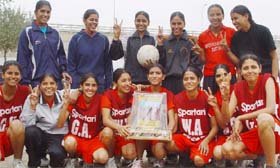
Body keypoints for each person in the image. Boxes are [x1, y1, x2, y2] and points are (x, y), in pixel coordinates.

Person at [219, 54, 280, 168]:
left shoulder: (267, 79)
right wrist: (225, 99)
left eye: (253, 67)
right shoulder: (238, 87)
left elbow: (270, 109)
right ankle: (258, 158)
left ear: (260, 68)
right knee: (226, 149)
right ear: (240, 72)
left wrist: (241, 117)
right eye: (246, 68)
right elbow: (226, 119)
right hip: (254, 132)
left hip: (273, 130)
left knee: (263, 118)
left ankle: (271, 164)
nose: (250, 71)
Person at [165, 65, 218, 167]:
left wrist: (206, 141)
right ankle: (185, 154)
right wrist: (164, 133)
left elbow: (215, 127)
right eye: (186, 79)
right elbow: (175, 125)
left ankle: (201, 157)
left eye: (192, 78)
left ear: (198, 80)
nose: (189, 81)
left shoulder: (206, 98)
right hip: (186, 138)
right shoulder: (177, 98)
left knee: (198, 161)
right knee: (168, 143)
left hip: (203, 138)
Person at [17, 0, 71, 89]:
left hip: (54, 82)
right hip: (35, 83)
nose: (45, 14)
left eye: (48, 12)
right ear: (35, 12)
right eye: (42, 11)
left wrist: (63, 71)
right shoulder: (27, 32)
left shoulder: (55, 33)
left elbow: (61, 55)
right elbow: (22, 59)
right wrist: (25, 82)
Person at [57, 73, 109, 166]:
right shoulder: (74, 99)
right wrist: (66, 103)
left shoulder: (100, 99)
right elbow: (60, 124)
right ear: (81, 86)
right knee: (69, 143)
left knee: (103, 157)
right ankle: (73, 159)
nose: (90, 88)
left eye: (93, 85)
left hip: (92, 140)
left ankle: (89, 161)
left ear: (97, 87)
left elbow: (106, 118)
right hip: (75, 139)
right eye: (87, 85)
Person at [132, 64, 175, 168]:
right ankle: (139, 160)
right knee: (138, 134)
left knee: (159, 151)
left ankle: (159, 159)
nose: (154, 76)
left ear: (163, 77)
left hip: (159, 131)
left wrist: (167, 132)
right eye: (151, 73)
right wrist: (131, 127)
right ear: (147, 77)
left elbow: (172, 119)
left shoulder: (168, 94)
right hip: (145, 130)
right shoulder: (141, 93)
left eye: (158, 73)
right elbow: (134, 115)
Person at [20, 73, 68, 167]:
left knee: (57, 154)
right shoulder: (32, 98)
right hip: (42, 133)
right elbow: (26, 124)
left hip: (58, 134)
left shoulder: (64, 95)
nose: (48, 86)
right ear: (40, 86)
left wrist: (79, 90)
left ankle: (56, 162)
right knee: (30, 132)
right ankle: (35, 162)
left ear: (56, 85)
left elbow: (85, 89)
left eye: (52, 83)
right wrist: (32, 107)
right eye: (45, 84)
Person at [67, 9, 115, 93]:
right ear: (84, 20)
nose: (94, 22)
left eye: (96, 20)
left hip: (99, 86)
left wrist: (108, 86)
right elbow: (71, 65)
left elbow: (108, 65)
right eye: (91, 19)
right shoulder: (76, 39)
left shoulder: (103, 39)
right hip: (81, 86)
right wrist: (76, 85)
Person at [157, 11, 201, 94]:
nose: (176, 26)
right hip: (168, 82)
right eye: (173, 24)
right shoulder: (165, 41)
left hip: (185, 82)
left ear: (184, 24)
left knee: (183, 107)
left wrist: (194, 81)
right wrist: (159, 46)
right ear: (170, 24)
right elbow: (160, 63)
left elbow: (197, 64)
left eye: (179, 23)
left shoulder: (191, 41)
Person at [229, 5, 278, 79]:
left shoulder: (263, 31)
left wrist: (274, 79)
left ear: (246, 16)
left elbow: (274, 56)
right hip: (246, 79)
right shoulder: (235, 37)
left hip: (265, 77)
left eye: (236, 18)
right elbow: (238, 64)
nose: (233, 22)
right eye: (232, 19)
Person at [100, 68, 136, 168]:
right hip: (113, 132)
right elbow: (105, 120)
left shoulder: (133, 93)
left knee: (131, 154)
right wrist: (119, 127)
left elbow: (150, 90)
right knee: (107, 132)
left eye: (129, 80)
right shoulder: (108, 95)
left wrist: (141, 88)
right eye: (123, 81)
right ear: (115, 83)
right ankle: (111, 159)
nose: (128, 83)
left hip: (125, 132)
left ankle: (124, 158)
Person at [196, 4, 237, 91]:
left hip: (228, 74)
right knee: (210, 102)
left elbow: (237, 58)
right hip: (210, 75)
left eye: (218, 14)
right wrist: (201, 53)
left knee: (230, 102)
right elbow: (203, 61)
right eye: (212, 15)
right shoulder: (202, 36)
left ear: (223, 15)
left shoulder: (231, 32)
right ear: (208, 17)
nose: (215, 17)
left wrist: (227, 49)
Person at [112, 11, 156, 85]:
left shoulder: (153, 38)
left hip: (149, 80)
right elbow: (115, 56)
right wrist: (116, 38)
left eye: (144, 21)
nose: (141, 23)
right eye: (138, 21)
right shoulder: (128, 38)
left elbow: (158, 61)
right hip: (130, 80)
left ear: (148, 23)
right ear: (134, 22)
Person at [0, 61, 30, 168]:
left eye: (16, 74)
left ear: (21, 76)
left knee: (17, 124)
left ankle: (18, 162)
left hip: (14, 136)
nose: (13, 76)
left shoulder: (25, 91)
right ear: (3, 75)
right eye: (9, 73)